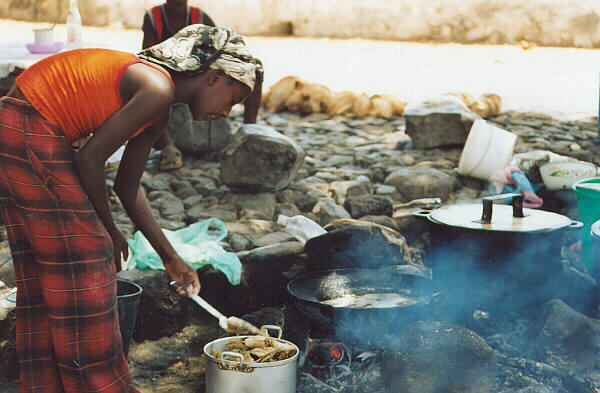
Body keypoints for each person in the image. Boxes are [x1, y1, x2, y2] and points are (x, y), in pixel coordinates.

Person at [0, 25, 262, 393]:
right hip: (30, 125)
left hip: (20, 124)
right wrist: (107, 231)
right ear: (213, 77)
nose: (227, 111)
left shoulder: (159, 108)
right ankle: (103, 385)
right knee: (89, 260)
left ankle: (46, 385)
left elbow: (127, 185)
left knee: (50, 271)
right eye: (232, 98)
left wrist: (171, 258)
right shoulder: (156, 89)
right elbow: (90, 159)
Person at [142, 0, 262, 170]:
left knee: (253, 70)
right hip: (178, 84)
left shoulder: (200, 17)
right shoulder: (154, 18)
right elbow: (151, 66)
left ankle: (250, 134)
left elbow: (223, 53)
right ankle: (168, 145)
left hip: (200, 86)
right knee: (157, 91)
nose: (228, 113)